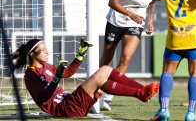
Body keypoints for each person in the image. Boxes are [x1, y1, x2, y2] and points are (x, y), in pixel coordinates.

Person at [13, 38, 159, 118]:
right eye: (43, 50)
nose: (47, 52)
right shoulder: (30, 75)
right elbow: (44, 97)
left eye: (46, 49)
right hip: (67, 108)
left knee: (106, 69)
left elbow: (68, 73)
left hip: (71, 102)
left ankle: (143, 91)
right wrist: (56, 78)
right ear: (32, 54)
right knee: (100, 76)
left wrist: (79, 56)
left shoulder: (47, 66)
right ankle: (141, 93)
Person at [99, 0, 160, 111]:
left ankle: (107, 98)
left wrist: (151, 21)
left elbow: (152, 2)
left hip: (135, 24)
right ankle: (95, 91)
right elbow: (112, 2)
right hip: (116, 21)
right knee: (106, 62)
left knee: (125, 58)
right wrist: (129, 13)